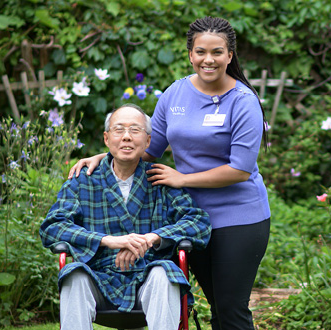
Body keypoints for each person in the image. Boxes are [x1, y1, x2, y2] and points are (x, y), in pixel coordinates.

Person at [68, 16, 271, 330]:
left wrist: (183, 179)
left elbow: (241, 170)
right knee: (217, 307)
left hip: (239, 218)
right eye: (201, 51)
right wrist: (103, 155)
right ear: (190, 54)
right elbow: (150, 148)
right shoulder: (175, 94)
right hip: (190, 218)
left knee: (232, 309)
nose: (209, 59)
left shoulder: (243, 101)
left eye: (217, 52)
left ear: (230, 55)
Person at [40, 104, 211, 330]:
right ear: (106, 138)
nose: (127, 137)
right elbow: (52, 227)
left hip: (148, 277)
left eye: (135, 130)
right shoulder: (82, 180)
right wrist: (108, 240)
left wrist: (151, 238)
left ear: (148, 141)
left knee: (165, 273)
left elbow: (199, 223)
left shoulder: (161, 179)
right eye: (119, 130)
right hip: (99, 278)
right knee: (74, 274)